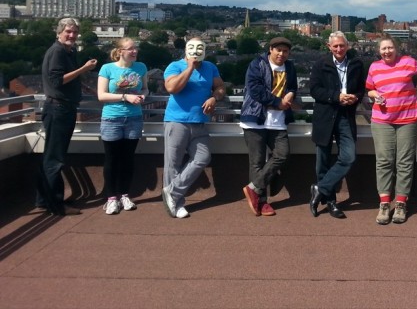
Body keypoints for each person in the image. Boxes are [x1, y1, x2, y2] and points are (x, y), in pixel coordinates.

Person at [36, 17, 97, 216]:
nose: (72, 35)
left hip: (62, 108)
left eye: (74, 32)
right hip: (58, 109)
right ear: (59, 32)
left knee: (51, 157)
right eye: (68, 32)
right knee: (56, 159)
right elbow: (57, 81)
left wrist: (83, 81)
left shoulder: (67, 52)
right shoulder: (58, 51)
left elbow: (67, 79)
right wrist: (84, 69)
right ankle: (56, 205)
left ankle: (43, 200)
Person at [366, 36, 417, 225]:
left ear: (396, 49)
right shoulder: (374, 67)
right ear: (379, 51)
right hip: (382, 120)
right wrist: (374, 94)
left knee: (404, 162)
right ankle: (385, 204)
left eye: (390, 48)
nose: (387, 51)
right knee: (384, 161)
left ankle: (401, 204)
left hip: (407, 119)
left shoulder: (408, 62)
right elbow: (369, 89)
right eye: (383, 49)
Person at [161, 38, 226, 219]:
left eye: (200, 48)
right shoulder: (174, 66)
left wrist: (214, 97)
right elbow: (172, 88)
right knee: (173, 164)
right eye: (192, 48)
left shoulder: (210, 67)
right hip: (177, 121)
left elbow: (221, 87)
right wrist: (189, 67)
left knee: (203, 157)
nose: (196, 51)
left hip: (199, 122)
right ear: (185, 49)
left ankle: (172, 193)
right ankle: (177, 204)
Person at [309, 31, 366, 219]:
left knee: (348, 157)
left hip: (345, 116)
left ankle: (320, 188)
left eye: (342, 45)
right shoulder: (320, 64)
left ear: (347, 46)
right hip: (325, 116)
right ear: (329, 47)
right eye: (335, 46)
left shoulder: (357, 64)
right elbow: (314, 90)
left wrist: (354, 98)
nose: (339, 49)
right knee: (322, 162)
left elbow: (361, 89)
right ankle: (331, 202)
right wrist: (336, 97)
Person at [241, 36, 297, 217]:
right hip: (255, 119)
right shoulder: (257, 64)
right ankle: (262, 202)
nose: (282, 54)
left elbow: (293, 87)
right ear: (270, 50)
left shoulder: (290, 67)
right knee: (256, 162)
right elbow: (255, 89)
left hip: (278, 121)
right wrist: (277, 102)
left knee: (283, 154)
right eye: (278, 50)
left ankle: (253, 188)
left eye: (285, 51)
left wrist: (290, 94)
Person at [97, 38, 148, 215]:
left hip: (134, 118)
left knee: (128, 158)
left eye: (136, 48)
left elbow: (146, 88)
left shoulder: (141, 67)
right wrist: (125, 97)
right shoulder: (107, 68)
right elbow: (101, 95)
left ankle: (125, 195)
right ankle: (111, 198)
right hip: (112, 118)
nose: (134, 51)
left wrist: (142, 95)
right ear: (120, 51)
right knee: (112, 158)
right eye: (130, 49)